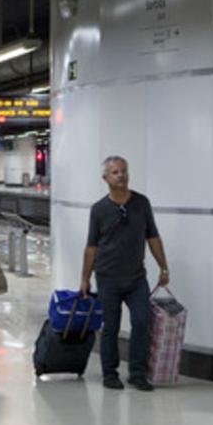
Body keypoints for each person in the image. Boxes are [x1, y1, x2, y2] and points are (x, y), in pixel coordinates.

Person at [79, 156, 169, 391]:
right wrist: (85, 278)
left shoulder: (141, 203)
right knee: (111, 327)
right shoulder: (99, 210)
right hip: (108, 277)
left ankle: (137, 373)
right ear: (105, 178)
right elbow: (91, 247)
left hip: (136, 277)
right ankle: (110, 373)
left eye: (124, 171)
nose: (121, 175)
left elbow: (153, 237)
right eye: (115, 172)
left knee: (142, 321)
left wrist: (163, 266)